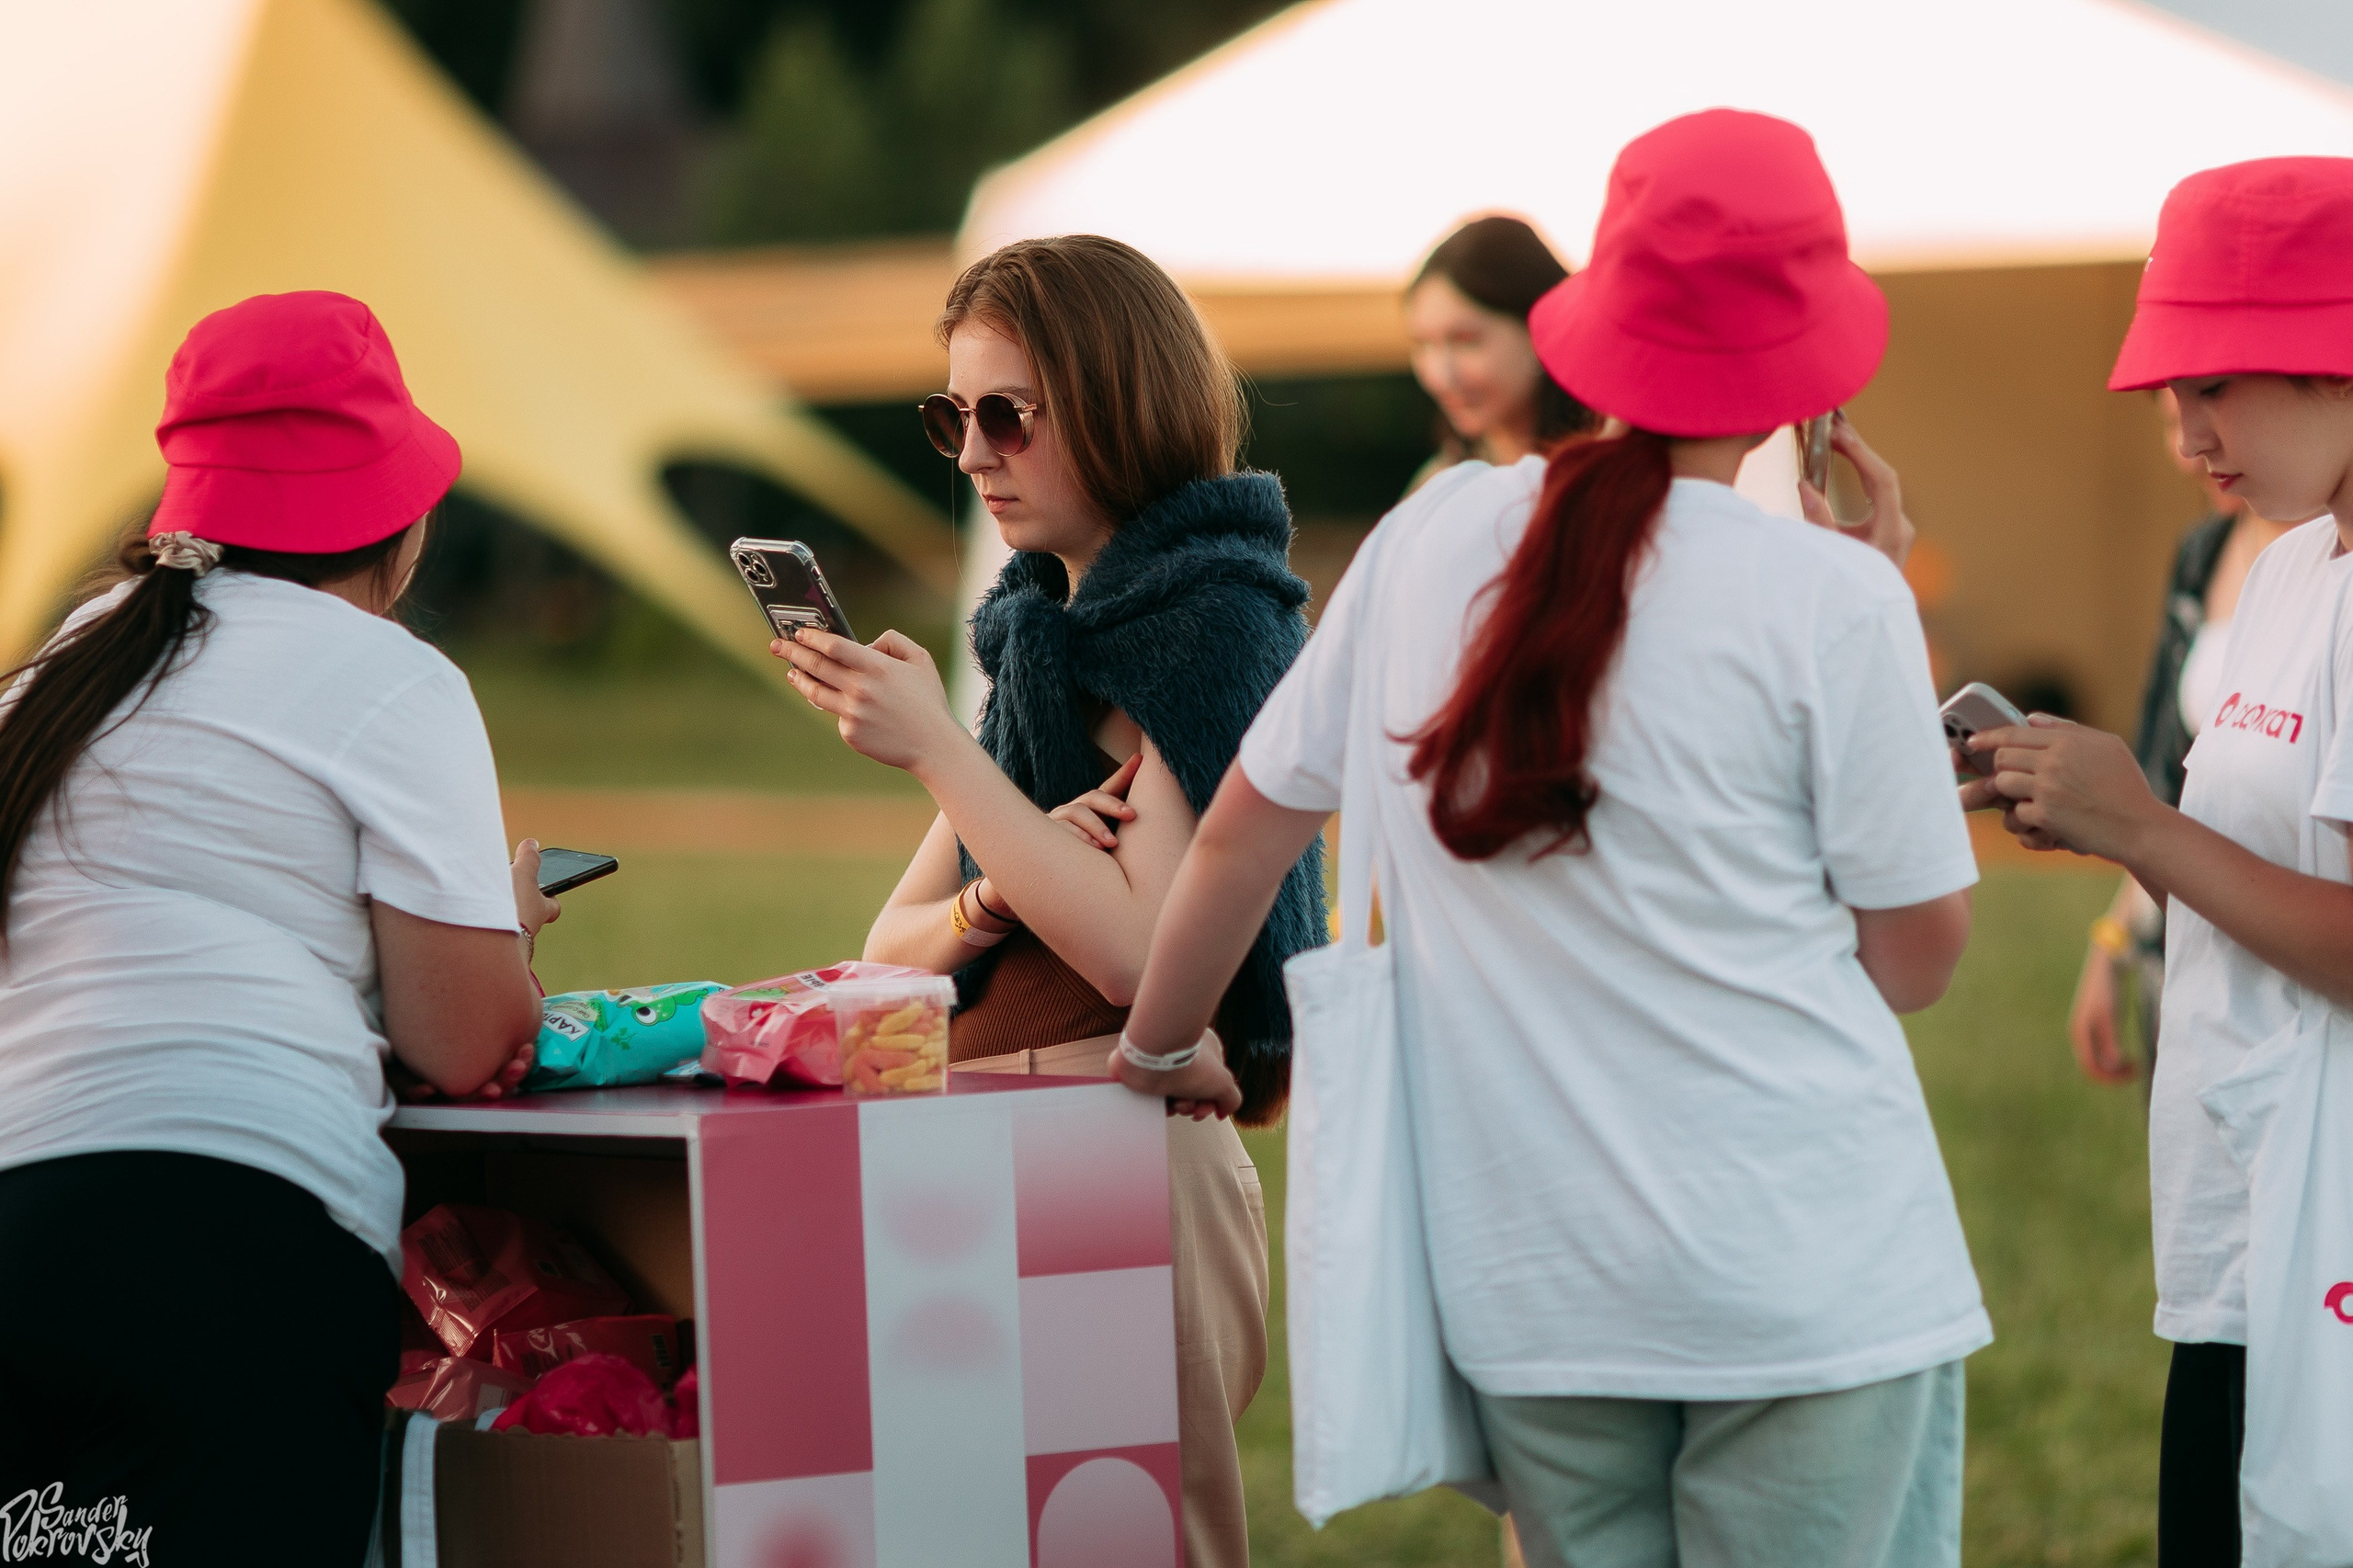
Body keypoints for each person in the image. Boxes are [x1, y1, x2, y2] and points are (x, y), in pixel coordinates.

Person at [1115, 109, 1988, 1568]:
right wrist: (1875, 609)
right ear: (1806, 379)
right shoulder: (1833, 597)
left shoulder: (1423, 542)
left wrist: (1149, 1058)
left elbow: (1240, 839)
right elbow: (1916, 960)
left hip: (1535, 1289)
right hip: (1813, 1277)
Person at [772, 234, 1325, 1568]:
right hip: (983, 1150)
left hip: (1122, 1151)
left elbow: (1147, 956)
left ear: (1122, 397)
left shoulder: (1209, 620)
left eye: (1006, 412)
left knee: (1139, 1543)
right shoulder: (1042, 637)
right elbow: (892, 947)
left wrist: (947, 760)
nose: (971, 454)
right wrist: (1004, 884)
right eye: (949, 415)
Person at [0, 292, 554, 1565]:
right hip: (229, 1247)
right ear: (399, 517)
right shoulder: (396, 677)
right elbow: (467, 1039)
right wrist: (501, 932)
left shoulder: (61, 668)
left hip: (20, 1231)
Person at [1967, 158, 2353, 1567]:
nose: (2184, 430)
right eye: (2166, 393)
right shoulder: (2295, 564)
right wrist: (2086, 799)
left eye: (2219, 384)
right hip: (2252, 1220)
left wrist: (2139, 827)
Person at [2067, 393, 2289, 1088]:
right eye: (2167, 422)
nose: (2187, 447)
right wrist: (2115, 941)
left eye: (2217, 400)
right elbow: (2163, 783)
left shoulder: (2328, 561)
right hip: (2187, 952)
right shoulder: (2201, 555)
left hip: (2287, 958)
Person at [1404, 215, 1599, 486]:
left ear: (1541, 329)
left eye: (1466, 340)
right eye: (1423, 344)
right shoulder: (1438, 486)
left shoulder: (1604, 480)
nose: (1441, 376)